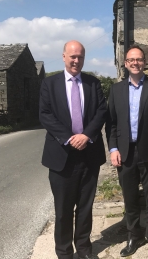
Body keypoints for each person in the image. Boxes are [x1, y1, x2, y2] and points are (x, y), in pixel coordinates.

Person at [39, 40, 107, 259]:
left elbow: (101, 111)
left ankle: (84, 249)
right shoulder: (50, 84)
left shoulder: (93, 83)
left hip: (89, 155)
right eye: (73, 56)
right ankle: (64, 252)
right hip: (62, 157)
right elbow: (45, 115)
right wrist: (69, 138)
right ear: (64, 57)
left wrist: (86, 135)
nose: (76, 61)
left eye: (80, 57)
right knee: (63, 210)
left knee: (85, 208)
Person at [106, 45, 148, 259]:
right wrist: (113, 148)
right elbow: (111, 123)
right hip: (124, 154)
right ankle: (134, 236)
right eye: (131, 59)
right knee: (130, 198)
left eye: (139, 59)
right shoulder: (116, 90)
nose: (135, 63)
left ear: (144, 62)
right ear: (125, 63)